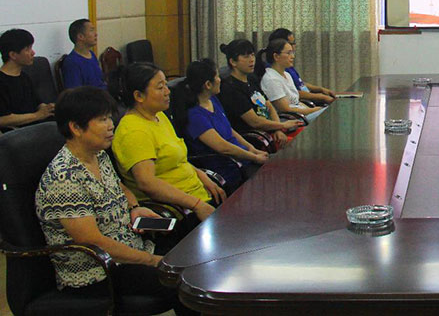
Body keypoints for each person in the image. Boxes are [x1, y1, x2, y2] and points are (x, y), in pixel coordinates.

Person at [34, 86, 195, 314]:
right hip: (98, 271)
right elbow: (92, 240)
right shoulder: (64, 178)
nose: (111, 125)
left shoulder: (97, 154)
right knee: (184, 281)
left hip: (128, 249)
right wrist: (150, 260)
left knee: (192, 251)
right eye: (102, 120)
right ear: (76, 127)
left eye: (110, 118)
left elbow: (119, 186)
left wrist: (135, 207)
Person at [110, 62, 225, 236]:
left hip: (199, 196)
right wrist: (196, 205)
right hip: (180, 211)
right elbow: (147, 183)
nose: (167, 91)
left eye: (166, 85)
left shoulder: (158, 116)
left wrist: (202, 176)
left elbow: (177, 159)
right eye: (160, 87)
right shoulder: (134, 131)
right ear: (139, 96)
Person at [173, 59, 268, 194]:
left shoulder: (213, 100)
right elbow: (223, 147)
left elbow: (230, 130)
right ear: (207, 84)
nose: (220, 80)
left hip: (243, 159)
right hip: (228, 168)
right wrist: (254, 157)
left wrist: (252, 149)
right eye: (217, 76)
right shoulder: (195, 116)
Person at [217, 39, 302, 148]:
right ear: (233, 62)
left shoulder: (251, 79)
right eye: (246, 56)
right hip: (256, 138)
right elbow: (255, 122)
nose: (252, 60)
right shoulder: (230, 88)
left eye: (252, 55)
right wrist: (281, 125)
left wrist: (278, 129)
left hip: (272, 130)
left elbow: (269, 106)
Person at [256, 38, 324, 122]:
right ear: (276, 56)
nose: (292, 56)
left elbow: (296, 102)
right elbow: (286, 109)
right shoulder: (271, 79)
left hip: (301, 114)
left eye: (292, 52)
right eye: (288, 53)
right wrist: (314, 110)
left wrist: (313, 109)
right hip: (290, 119)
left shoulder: (287, 75)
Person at [0, 28, 54, 129]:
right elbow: (2, 119)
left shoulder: (24, 77)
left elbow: (37, 103)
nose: (33, 52)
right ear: (13, 55)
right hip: (16, 133)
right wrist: (37, 115)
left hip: (34, 126)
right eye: (27, 49)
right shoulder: (2, 82)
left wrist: (48, 109)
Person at [269, 28, 336, 105]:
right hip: (302, 103)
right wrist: (321, 97)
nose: (294, 46)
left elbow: (300, 83)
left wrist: (321, 89)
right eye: (291, 43)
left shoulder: (287, 67)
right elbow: (292, 93)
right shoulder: (275, 69)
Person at [61, 18, 107, 90]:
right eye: (91, 30)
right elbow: (75, 92)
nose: (96, 34)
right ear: (80, 36)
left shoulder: (92, 54)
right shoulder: (72, 62)